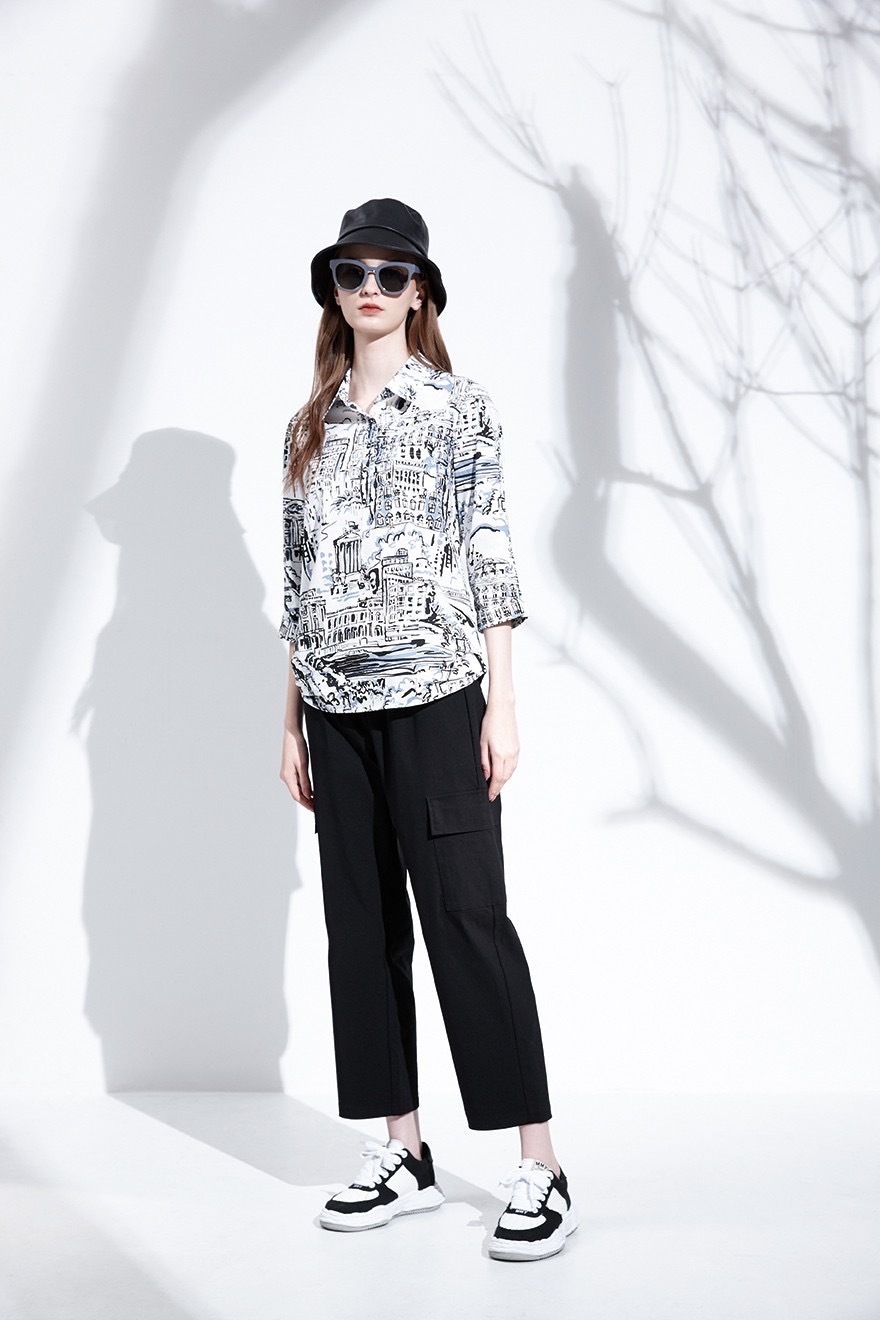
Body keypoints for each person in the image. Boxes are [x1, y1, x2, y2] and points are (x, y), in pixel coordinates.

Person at [278, 198, 578, 1262]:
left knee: (467, 920)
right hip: (334, 712)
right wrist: (289, 720)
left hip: (438, 701)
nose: (369, 288)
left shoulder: (457, 408)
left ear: (420, 294)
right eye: (351, 272)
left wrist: (503, 700)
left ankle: (539, 1164)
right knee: (360, 933)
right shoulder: (306, 426)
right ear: (332, 290)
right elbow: (298, 581)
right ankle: (401, 1151)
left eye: (390, 274)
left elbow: (489, 548)